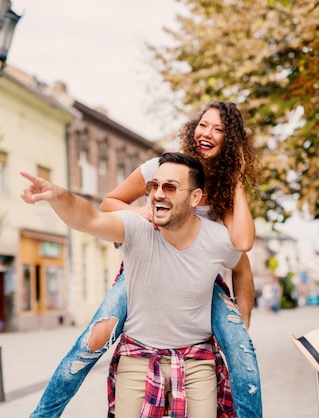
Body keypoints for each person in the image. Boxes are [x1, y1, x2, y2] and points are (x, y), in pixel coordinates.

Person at [29, 101, 263, 417]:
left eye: (218, 129)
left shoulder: (225, 189)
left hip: (199, 278)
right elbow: (109, 203)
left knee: (242, 352)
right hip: (147, 269)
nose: (206, 133)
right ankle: (42, 414)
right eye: (203, 124)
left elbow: (243, 246)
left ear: (230, 141)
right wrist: (138, 211)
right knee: (91, 343)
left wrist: (241, 322)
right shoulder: (162, 169)